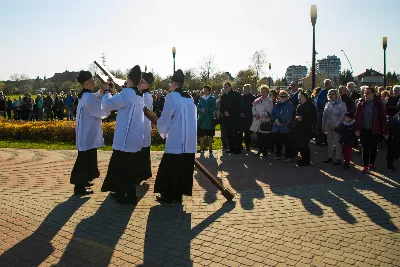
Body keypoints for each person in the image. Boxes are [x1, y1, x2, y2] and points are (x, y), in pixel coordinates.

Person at [100, 66, 145, 204]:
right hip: (134, 138)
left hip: (125, 139)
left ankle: (128, 195)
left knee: (123, 168)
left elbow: (108, 105)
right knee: (127, 168)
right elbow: (122, 101)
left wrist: (107, 91)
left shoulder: (127, 93)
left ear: (129, 79)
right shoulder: (139, 94)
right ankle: (122, 192)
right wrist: (114, 91)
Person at [154, 69, 197, 204]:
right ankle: (178, 194)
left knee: (170, 167)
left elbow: (166, 117)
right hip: (188, 140)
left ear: (174, 83)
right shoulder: (189, 98)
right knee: (183, 167)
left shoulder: (172, 97)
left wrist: (162, 130)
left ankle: (168, 195)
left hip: (176, 139)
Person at [70, 70, 110, 195]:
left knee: (87, 158)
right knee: (85, 160)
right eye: (92, 81)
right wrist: (107, 95)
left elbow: (95, 97)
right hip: (88, 134)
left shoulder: (84, 95)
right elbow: (101, 111)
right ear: (86, 83)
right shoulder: (89, 97)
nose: (94, 83)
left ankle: (85, 180)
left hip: (85, 132)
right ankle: (79, 186)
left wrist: (101, 92)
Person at [355, 86, 389, 173]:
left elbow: (383, 118)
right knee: (365, 148)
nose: (365, 95)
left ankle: (372, 163)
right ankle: (365, 165)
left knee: (373, 147)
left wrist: (385, 131)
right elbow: (357, 117)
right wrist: (357, 129)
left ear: (373, 93)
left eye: (368, 93)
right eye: (364, 93)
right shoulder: (361, 104)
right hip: (364, 129)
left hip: (375, 129)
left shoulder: (379, 104)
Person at [137, 72, 155, 184]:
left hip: (143, 126)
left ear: (147, 85)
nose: (139, 83)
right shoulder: (141, 94)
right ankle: (142, 173)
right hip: (141, 125)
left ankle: (141, 174)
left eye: (142, 82)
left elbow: (144, 111)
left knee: (142, 151)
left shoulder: (146, 96)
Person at [322, 89, 347, 165]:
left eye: (332, 94)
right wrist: (323, 126)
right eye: (329, 94)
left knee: (337, 142)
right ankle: (329, 157)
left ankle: (338, 158)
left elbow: (343, 116)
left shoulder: (341, 104)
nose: (330, 95)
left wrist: (336, 125)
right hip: (328, 125)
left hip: (337, 126)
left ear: (336, 95)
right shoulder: (327, 104)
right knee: (329, 142)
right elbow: (324, 116)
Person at [250, 85, 273, 157]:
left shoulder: (269, 101)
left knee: (265, 137)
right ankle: (260, 150)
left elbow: (269, 111)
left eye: (264, 91)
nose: (263, 93)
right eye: (261, 91)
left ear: (267, 92)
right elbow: (253, 108)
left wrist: (260, 115)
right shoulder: (257, 100)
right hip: (257, 120)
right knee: (259, 136)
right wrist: (255, 114)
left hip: (264, 120)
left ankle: (265, 151)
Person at [294, 91, 317, 166]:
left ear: (305, 97)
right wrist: (297, 119)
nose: (299, 99)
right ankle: (303, 158)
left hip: (307, 128)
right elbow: (296, 116)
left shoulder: (311, 105)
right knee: (300, 144)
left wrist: (303, 118)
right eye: (299, 97)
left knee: (305, 144)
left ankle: (306, 161)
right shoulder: (299, 106)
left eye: (301, 97)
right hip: (299, 128)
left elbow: (313, 117)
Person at [271, 90, 294, 162]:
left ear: (287, 97)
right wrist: (275, 120)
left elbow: (289, 115)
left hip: (285, 126)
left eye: (284, 96)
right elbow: (273, 113)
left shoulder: (289, 104)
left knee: (287, 142)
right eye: (281, 96)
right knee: (278, 142)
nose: (283, 98)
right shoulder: (277, 104)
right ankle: (278, 155)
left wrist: (280, 121)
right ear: (279, 97)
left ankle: (288, 156)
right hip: (277, 126)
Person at [220, 82, 242, 154]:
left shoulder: (236, 95)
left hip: (235, 117)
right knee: (228, 133)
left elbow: (237, 106)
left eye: (226, 87)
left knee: (236, 133)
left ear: (230, 87)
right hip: (227, 118)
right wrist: (224, 112)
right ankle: (231, 147)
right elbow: (222, 107)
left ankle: (238, 148)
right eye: (224, 87)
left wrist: (230, 112)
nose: (225, 88)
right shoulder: (223, 96)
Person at [197, 85, 216, 154]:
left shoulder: (213, 98)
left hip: (209, 118)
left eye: (206, 90)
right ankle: (202, 147)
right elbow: (197, 107)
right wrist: (201, 109)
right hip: (202, 119)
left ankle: (210, 148)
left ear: (209, 91)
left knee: (210, 134)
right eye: (204, 90)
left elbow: (214, 108)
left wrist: (206, 109)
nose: (205, 92)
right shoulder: (201, 98)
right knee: (201, 134)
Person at [315, 79, 331, 146]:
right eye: (325, 84)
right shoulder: (322, 91)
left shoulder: (332, 91)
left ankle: (327, 141)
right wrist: (319, 110)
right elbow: (318, 101)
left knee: (328, 127)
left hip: (329, 112)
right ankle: (320, 140)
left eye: (328, 83)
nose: (326, 85)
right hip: (321, 111)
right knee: (320, 127)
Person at [240, 84, 256, 151]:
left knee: (247, 133)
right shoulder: (241, 97)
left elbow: (253, 108)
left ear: (250, 89)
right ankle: (240, 145)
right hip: (241, 117)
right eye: (245, 89)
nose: (246, 90)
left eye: (247, 89)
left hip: (249, 117)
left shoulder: (253, 98)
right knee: (240, 132)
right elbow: (238, 106)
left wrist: (246, 114)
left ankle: (248, 145)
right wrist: (240, 113)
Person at [385, 107, 399, 172]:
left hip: (389, 139)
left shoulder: (388, 120)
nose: (398, 114)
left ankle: (390, 165)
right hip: (393, 139)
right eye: (397, 113)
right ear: (394, 114)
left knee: (390, 153)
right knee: (391, 154)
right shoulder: (393, 122)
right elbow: (396, 132)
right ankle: (389, 167)